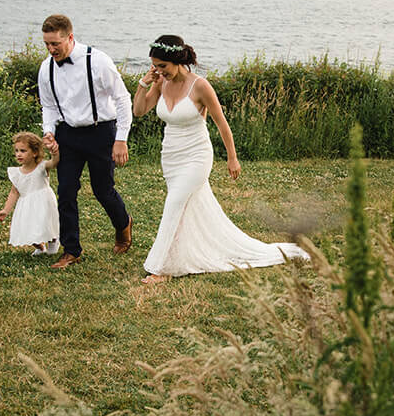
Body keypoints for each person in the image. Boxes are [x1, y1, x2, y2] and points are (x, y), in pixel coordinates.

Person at [133, 35, 308, 283]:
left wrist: (232, 158)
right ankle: (185, 253)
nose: (159, 71)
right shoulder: (160, 82)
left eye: (162, 66)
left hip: (196, 155)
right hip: (171, 156)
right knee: (187, 206)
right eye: (155, 66)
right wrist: (144, 82)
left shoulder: (200, 86)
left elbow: (222, 124)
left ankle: (162, 268)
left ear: (176, 60)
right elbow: (139, 111)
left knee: (174, 203)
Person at [37, 14, 132, 269]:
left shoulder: (98, 61)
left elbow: (122, 99)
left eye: (55, 44)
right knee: (66, 191)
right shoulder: (46, 67)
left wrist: (120, 139)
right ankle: (72, 250)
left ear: (70, 37)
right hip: (68, 134)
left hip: (101, 131)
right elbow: (48, 104)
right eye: (46, 44)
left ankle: (123, 224)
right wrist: (49, 131)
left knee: (103, 190)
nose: (50, 49)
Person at [0, 131, 60, 255]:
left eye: (23, 151)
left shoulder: (42, 166)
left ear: (35, 153)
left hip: (43, 201)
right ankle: (40, 247)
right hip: (26, 204)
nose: (18, 154)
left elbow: (54, 163)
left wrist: (54, 154)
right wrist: (5, 210)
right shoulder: (17, 173)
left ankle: (53, 241)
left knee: (46, 224)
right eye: (17, 151)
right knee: (26, 229)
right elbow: (14, 192)